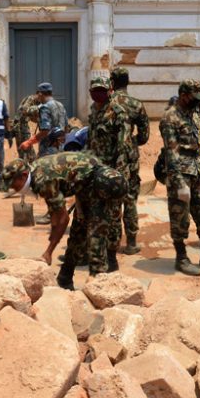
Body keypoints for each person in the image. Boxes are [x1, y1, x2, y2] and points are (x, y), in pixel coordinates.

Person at [0, 153, 126, 290]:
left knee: (95, 233)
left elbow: (63, 219)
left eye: (13, 183)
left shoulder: (43, 180)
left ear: (24, 175)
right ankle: (65, 278)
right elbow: (56, 215)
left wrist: (48, 252)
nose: (13, 188)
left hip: (95, 183)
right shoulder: (37, 174)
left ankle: (99, 285)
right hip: (83, 184)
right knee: (78, 232)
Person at [160, 79, 200, 275]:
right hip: (181, 175)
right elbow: (171, 152)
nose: (198, 101)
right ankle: (181, 257)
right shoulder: (170, 118)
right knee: (180, 218)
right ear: (184, 96)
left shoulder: (194, 115)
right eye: (195, 97)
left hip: (198, 172)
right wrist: (179, 183)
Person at [85, 75, 130, 271]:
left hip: (112, 173)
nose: (98, 94)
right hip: (95, 172)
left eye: (102, 91)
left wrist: (118, 177)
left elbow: (123, 145)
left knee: (112, 216)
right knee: (94, 214)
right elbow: (90, 141)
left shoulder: (117, 112)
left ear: (109, 91)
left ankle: (111, 257)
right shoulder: (93, 111)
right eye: (95, 91)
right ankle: (95, 253)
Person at [110, 66, 149, 255]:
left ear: (112, 82)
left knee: (111, 201)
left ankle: (113, 243)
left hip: (110, 159)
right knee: (130, 199)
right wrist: (131, 142)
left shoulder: (106, 103)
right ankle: (132, 243)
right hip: (130, 158)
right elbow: (144, 136)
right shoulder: (136, 104)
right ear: (128, 81)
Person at [20, 82, 68, 157]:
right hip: (61, 148)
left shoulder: (45, 107)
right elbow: (66, 128)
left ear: (40, 94)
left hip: (48, 150)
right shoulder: (60, 105)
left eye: (38, 95)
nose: (37, 98)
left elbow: (45, 131)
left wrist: (28, 142)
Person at [16, 92, 41, 163]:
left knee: (24, 148)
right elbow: (25, 110)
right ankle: (28, 164)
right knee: (26, 147)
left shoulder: (36, 101)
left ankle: (25, 163)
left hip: (22, 125)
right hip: (20, 126)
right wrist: (36, 110)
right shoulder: (31, 99)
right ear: (38, 94)